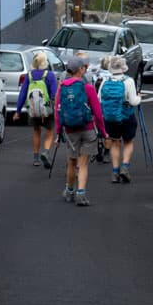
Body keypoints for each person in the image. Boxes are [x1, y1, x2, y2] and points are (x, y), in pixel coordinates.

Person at [53, 55, 107, 206]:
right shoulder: (87, 88)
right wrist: (103, 132)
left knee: (71, 161)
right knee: (83, 164)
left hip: (70, 131)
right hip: (88, 129)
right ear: (81, 70)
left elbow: (58, 112)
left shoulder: (62, 88)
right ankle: (81, 194)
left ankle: (69, 190)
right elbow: (97, 112)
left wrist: (58, 132)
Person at [97, 55, 141, 183]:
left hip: (110, 118)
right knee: (128, 142)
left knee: (115, 143)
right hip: (127, 116)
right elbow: (133, 101)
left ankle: (115, 172)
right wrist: (139, 98)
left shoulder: (105, 81)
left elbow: (99, 99)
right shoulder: (129, 81)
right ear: (123, 67)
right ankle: (125, 167)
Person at [13, 51, 58, 167]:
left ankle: (36, 158)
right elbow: (54, 94)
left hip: (33, 109)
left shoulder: (29, 75)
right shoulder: (50, 75)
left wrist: (18, 111)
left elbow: (23, 94)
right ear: (45, 62)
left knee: (36, 132)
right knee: (49, 133)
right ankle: (46, 152)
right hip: (47, 110)